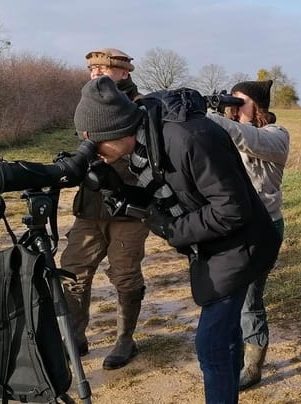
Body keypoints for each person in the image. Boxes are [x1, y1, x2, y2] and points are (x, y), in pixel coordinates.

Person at [73, 76, 280, 404]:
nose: (95, 154)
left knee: (210, 344)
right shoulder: (147, 141)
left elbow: (232, 209)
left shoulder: (188, 138)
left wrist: (174, 232)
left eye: (96, 144)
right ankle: (229, 385)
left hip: (242, 245)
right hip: (214, 245)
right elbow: (163, 193)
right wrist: (118, 188)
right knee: (223, 338)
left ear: (116, 130)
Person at [60, 48, 149, 370]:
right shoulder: (88, 102)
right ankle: (75, 334)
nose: (96, 74)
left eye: (104, 69)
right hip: (90, 205)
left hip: (128, 208)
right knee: (73, 271)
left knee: (124, 275)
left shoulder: (141, 107)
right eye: (92, 68)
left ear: (124, 73)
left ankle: (126, 338)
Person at [206, 79, 289, 390]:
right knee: (228, 296)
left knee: (249, 298)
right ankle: (233, 354)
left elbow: (245, 137)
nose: (234, 106)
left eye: (241, 101)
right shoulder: (226, 129)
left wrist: (211, 117)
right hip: (232, 225)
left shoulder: (276, 136)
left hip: (263, 227)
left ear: (259, 105)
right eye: (232, 101)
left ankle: (252, 366)